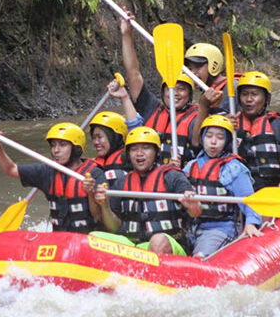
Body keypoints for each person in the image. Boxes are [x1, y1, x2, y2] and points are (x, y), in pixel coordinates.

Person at [93, 127, 201, 255]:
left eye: (146, 148)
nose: (139, 153)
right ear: (128, 154)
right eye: (134, 149)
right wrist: (104, 206)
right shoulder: (122, 182)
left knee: (157, 241)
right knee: (93, 237)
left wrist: (194, 206)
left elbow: (195, 212)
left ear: (156, 152)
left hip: (172, 245)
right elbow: (114, 227)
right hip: (136, 246)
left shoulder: (172, 176)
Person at [0, 122, 106, 233]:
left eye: (62, 145)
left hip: (88, 240)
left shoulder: (95, 174)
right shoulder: (47, 172)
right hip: (59, 240)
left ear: (76, 149)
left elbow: (98, 217)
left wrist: (90, 192)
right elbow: (10, 169)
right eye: (53, 145)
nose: (56, 150)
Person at [120, 13, 199, 166]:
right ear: (163, 92)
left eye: (181, 89)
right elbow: (133, 74)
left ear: (190, 95)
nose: (175, 93)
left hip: (180, 180)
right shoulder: (151, 109)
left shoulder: (197, 118)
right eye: (171, 88)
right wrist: (127, 35)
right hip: (151, 179)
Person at [184, 114, 262, 258]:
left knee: (200, 257)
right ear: (202, 138)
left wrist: (252, 223)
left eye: (220, 138)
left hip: (221, 228)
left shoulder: (233, 168)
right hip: (192, 228)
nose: (213, 142)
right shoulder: (190, 166)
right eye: (209, 136)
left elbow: (249, 200)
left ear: (226, 142)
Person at [234, 71, 280, 190]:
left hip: (272, 190)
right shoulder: (230, 125)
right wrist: (225, 130)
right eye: (244, 94)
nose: (249, 99)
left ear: (266, 98)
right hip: (239, 193)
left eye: (254, 94)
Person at [88, 110, 129, 188]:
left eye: (100, 137)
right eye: (94, 138)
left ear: (115, 138)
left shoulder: (128, 159)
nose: (96, 142)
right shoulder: (95, 164)